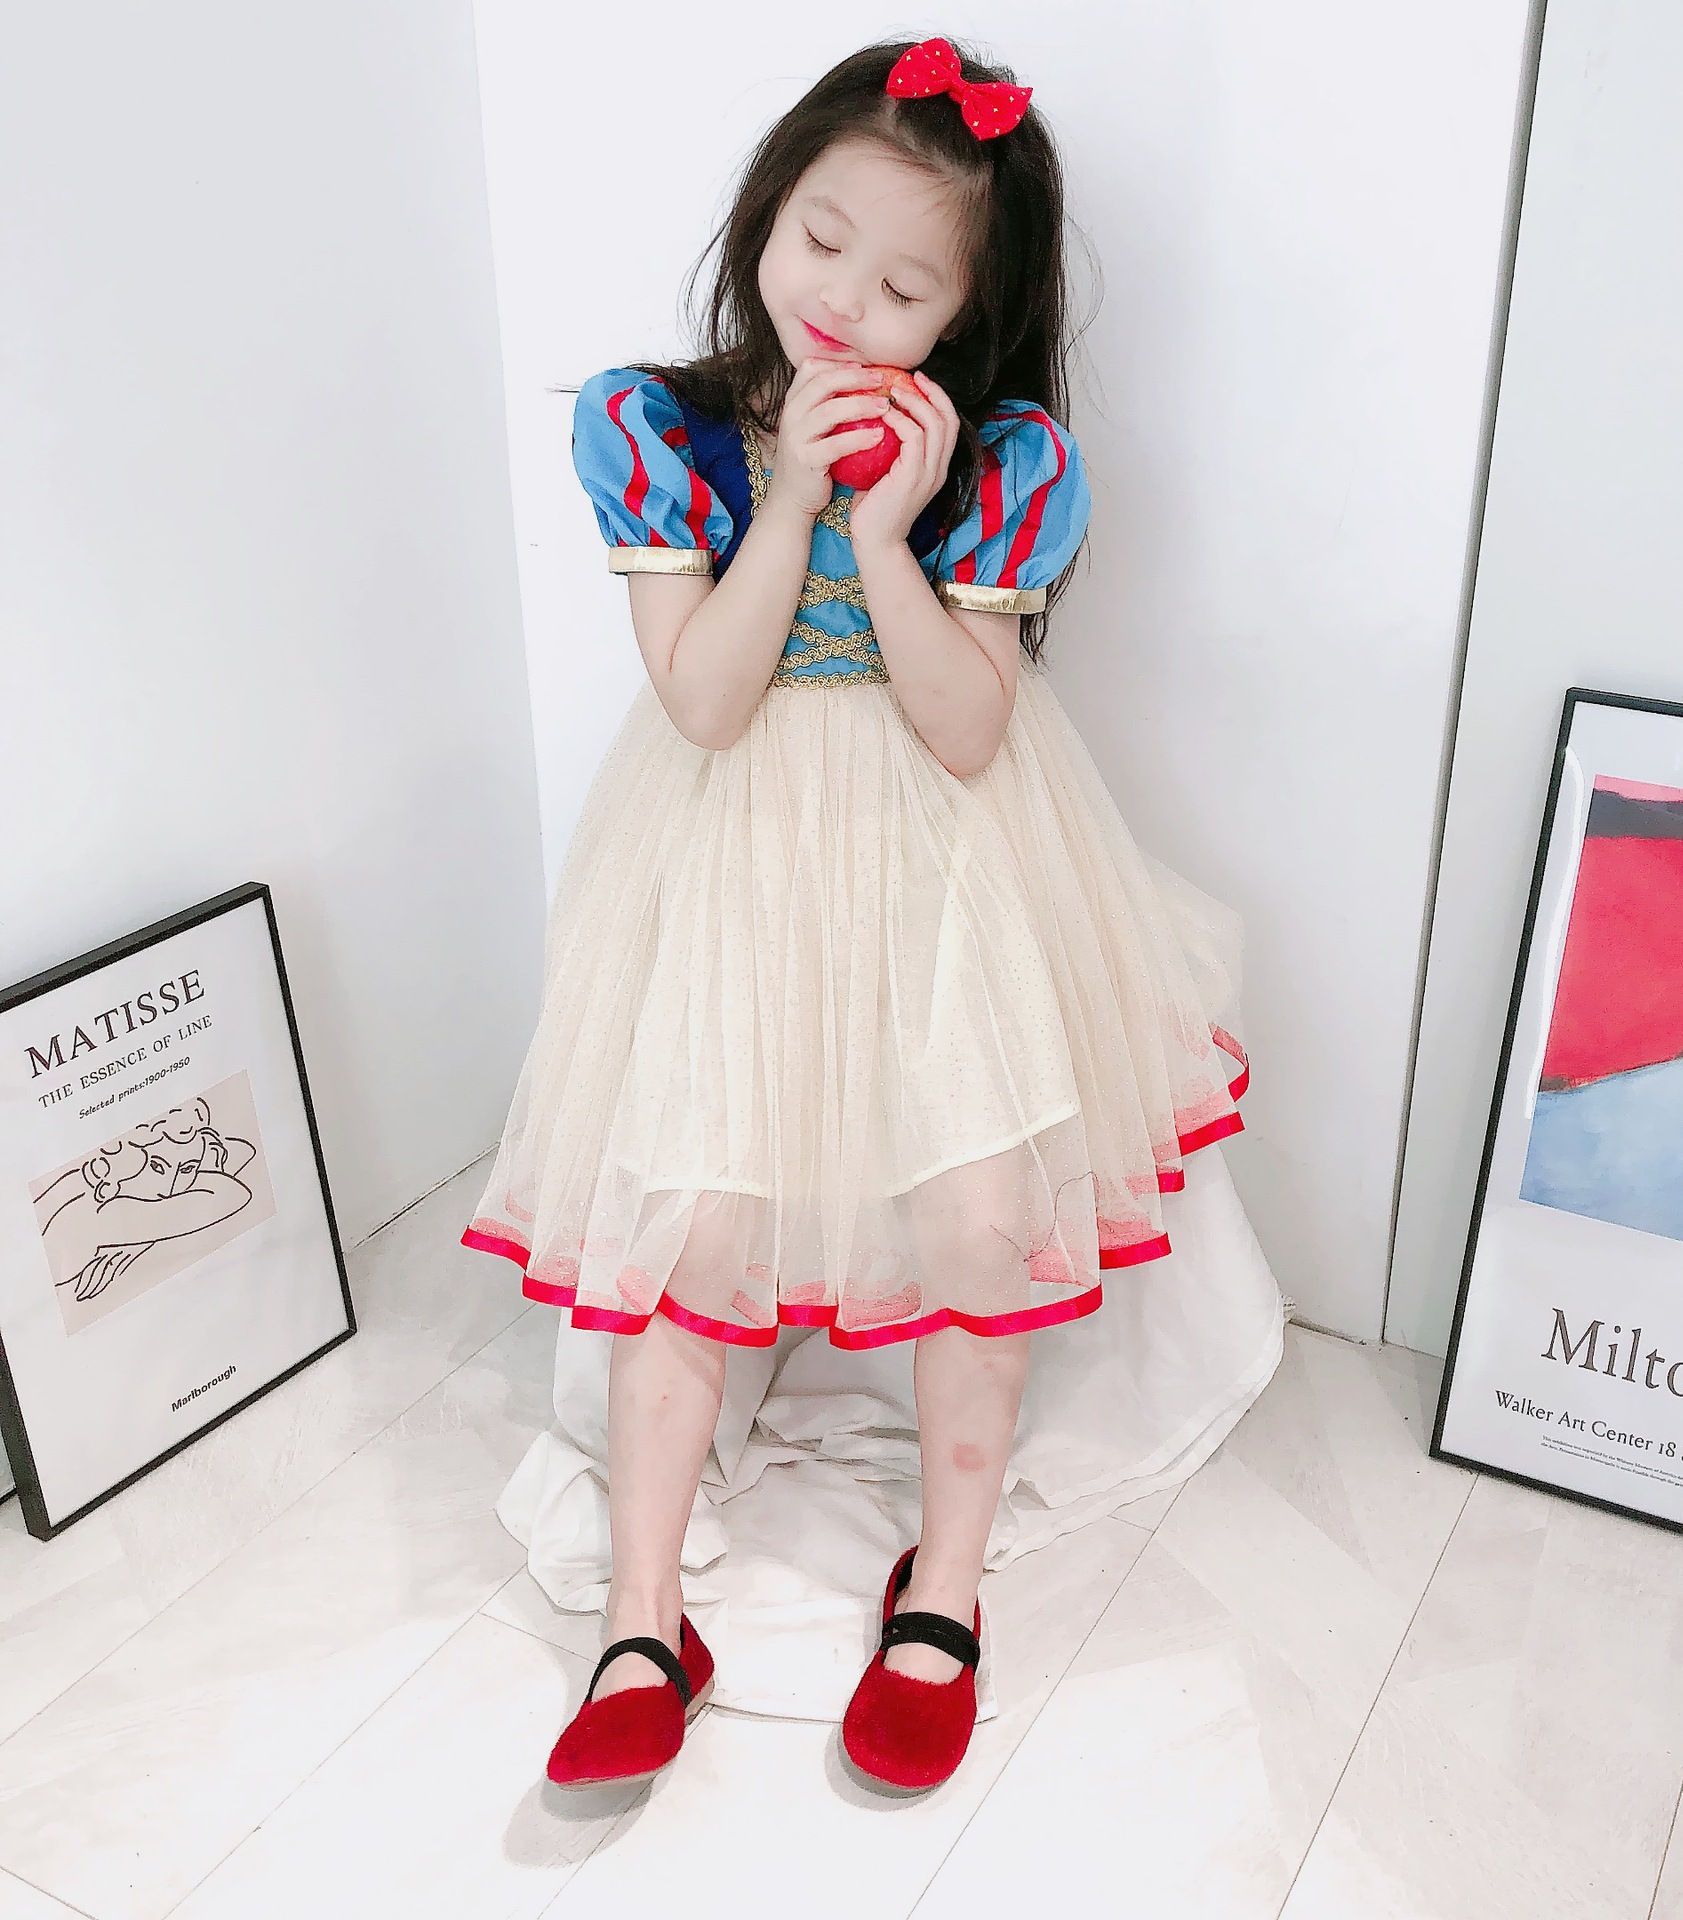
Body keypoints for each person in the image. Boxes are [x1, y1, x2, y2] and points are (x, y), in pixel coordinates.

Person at [463, 34, 1271, 1798]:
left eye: (906, 287)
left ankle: (944, 1590)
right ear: (770, 207)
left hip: (946, 859)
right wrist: (793, 500)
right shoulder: (660, 425)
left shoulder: (1003, 458)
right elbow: (705, 700)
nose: (844, 300)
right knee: (698, 1219)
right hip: (731, 852)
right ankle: (645, 1621)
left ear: (969, 312)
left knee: (977, 1220)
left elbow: (970, 731)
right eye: (822, 240)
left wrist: (891, 531)